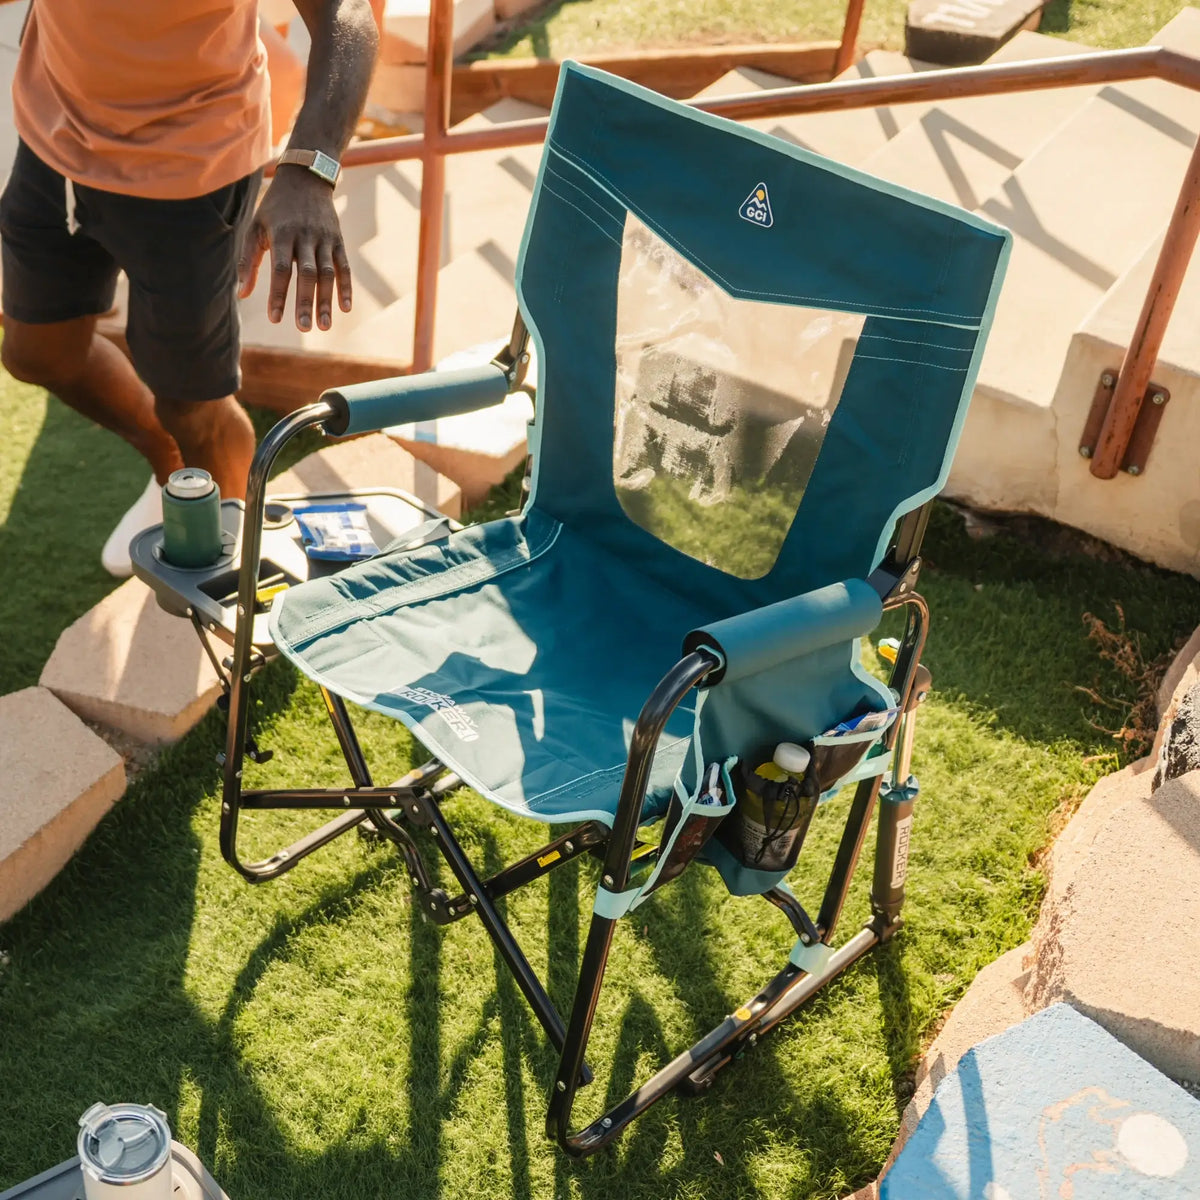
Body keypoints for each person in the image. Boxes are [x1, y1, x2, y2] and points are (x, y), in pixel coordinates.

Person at [0, 0, 378, 575]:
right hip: (52, 138)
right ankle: (172, 470)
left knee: (191, 406)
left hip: (190, 169)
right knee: (36, 354)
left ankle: (229, 567)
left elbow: (346, 14)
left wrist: (308, 168)